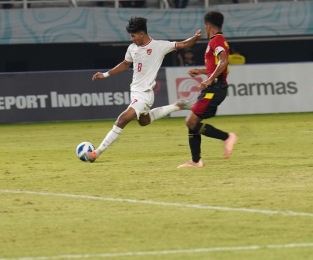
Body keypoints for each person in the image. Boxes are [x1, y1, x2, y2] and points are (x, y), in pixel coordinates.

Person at [87, 17, 202, 162]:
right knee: (144, 121)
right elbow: (124, 64)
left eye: (133, 35)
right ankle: (177, 105)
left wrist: (196, 38)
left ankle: (96, 153)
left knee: (122, 119)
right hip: (135, 92)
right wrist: (105, 74)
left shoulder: (159, 46)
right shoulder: (132, 48)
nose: (132, 38)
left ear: (142, 34)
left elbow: (185, 44)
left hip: (144, 94)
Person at [177, 11, 238, 168]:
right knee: (192, 121)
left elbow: (224, 62)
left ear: (208, 26)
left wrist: (209, 79)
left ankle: (226, 137)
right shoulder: (218, 41)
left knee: (191, 121)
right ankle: (195, 160)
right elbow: (221, 66)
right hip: (215, 86)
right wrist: (202, 72)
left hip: (215, 87)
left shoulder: (216, 41)